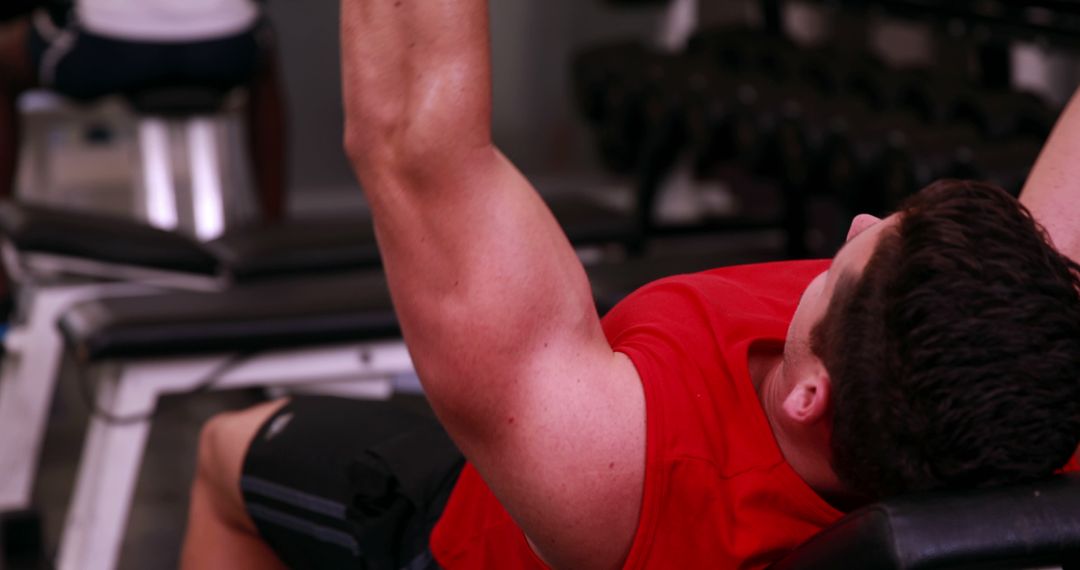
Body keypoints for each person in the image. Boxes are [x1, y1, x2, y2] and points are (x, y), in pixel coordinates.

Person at [179, 1, 1080, 568]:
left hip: (462, 540)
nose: (853, 225)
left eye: (853, 260)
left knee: (229, 455)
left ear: (810, 395)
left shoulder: (618, 464)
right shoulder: (1028, 402)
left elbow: (414, 144)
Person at [0, 0, 288, 221]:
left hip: (107, 45)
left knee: (5, 61)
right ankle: (273, 224)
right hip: (227, 46)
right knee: (263, 59)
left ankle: (2, 264)